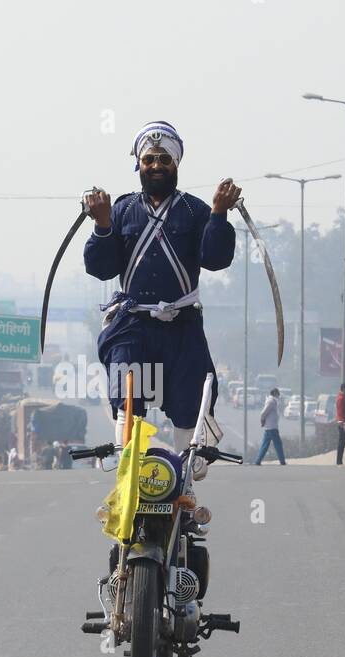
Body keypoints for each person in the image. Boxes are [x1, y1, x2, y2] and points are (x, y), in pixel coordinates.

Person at [84, 121, 238, 436]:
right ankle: (126, 462)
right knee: (125, 393)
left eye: (164, 160)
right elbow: (101, 268)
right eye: (149, 160)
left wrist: (219, 215)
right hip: (134, 324)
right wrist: (102, 225)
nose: (156, 166)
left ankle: (186, 470)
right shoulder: (121, 210)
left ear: (175, 164)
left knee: (191, 405)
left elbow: (215, 259)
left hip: (182, 325)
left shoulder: (196, 211)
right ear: (139, 164)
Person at [254, 388, 286, 466]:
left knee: (265, 445)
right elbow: (263, 413)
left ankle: (257, 461)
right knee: (278, 444)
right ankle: (282, 461)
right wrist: (262, 420)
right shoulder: (271, 401)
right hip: (271, 427)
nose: (278, 396)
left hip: (270, 427)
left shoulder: (273, 401)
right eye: (277, 394)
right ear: (274, 393)